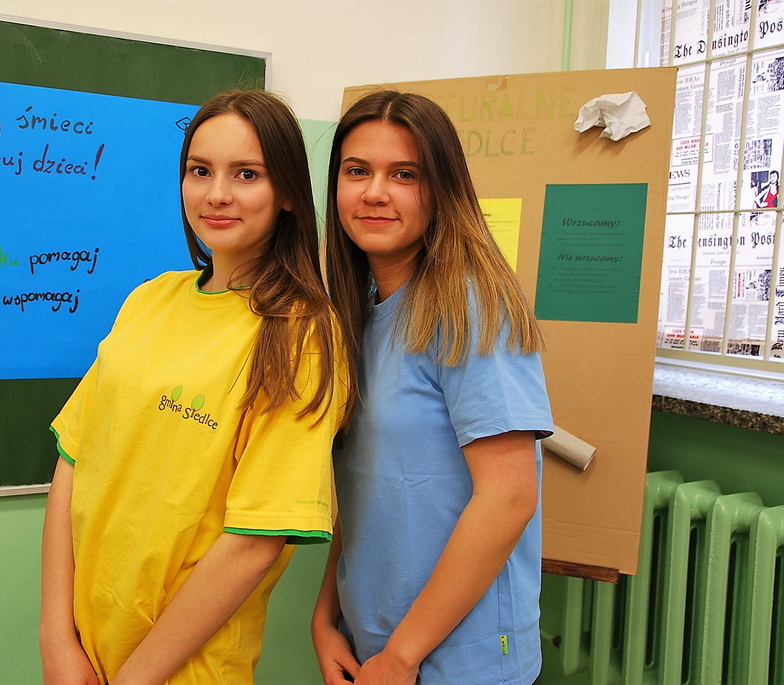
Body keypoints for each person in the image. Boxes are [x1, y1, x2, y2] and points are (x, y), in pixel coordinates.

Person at [40, 89, 353, 685]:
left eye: (247, 174)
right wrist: (56, 636)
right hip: (82, 656)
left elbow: (255, 540)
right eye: (200, 170)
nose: (216, 194)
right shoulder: (148, 300)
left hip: (183, 669)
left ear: (287, 192)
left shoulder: (302, 333)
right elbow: (72, 461)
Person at [312, 90, 553, 685]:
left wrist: (403, 656)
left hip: (456, 659)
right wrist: (326, 617)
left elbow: (509, 497)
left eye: (405, 175)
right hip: (373, 647)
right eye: (357, 171)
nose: (375, 192)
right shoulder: (357, 313)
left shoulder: (471, 304)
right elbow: (369, 492)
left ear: (442, 188)